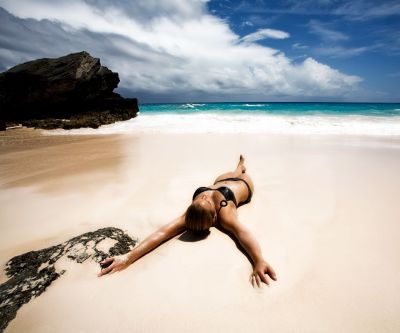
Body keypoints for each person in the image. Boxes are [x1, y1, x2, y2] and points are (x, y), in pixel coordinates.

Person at [98, 155, 277, 287]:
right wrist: (259, 260)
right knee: (238, 175)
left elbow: (161, 233)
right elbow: (242, 233)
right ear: (213, 218)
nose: (203, 197)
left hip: (221, 180)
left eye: (200, 200)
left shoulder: (193, 213)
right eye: (204, 201)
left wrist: (128, 257)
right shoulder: (224, 214)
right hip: (243, 183)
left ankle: (239, 166)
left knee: (231, 173)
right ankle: (241, 171)